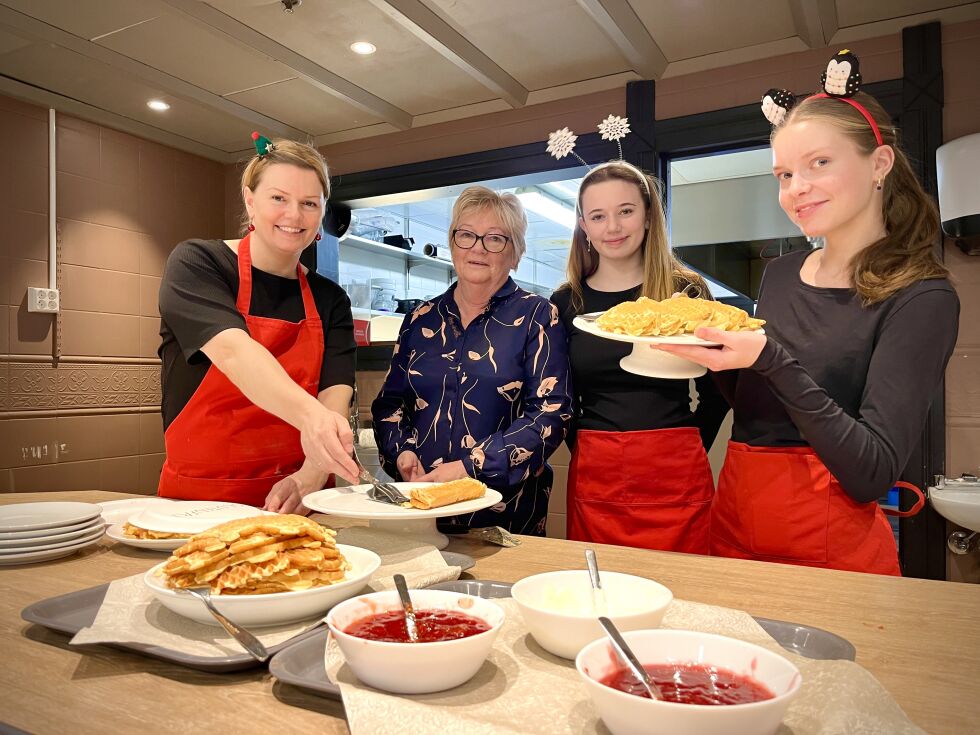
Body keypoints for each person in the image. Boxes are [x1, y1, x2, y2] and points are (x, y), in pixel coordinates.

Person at [657, 58, 959, 575]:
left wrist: (770, 357)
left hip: (831, 543)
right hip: (735, 518)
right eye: (784, 174)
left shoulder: (922, 296)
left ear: (879, 164)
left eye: (819, 163)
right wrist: (716, 359)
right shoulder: (779, 274)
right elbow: (759, 407)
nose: (797, 187)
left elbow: (871, 471)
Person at [157, 136, 359, 514]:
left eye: (309, 203)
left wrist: (312, 474)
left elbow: (335, 396)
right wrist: (315, 420)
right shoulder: (198, 264)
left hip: (303, 503)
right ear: (250, 200)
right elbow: (235, 353)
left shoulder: (330, 300)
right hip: (200, 504)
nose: (294, 215)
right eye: (278, 198)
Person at [550, 161, 729, 553]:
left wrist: (691, 443)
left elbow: (718, 389)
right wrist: (584, 443)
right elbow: (557, 396)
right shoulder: (566, 302)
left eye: (626, 211)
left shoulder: (687, 291)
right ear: (584, 225)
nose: (612, 227)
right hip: (595, 468)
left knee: (682, 596)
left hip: (676, 467)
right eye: (598, 216)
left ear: (648, 216)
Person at [372, 186, 572, 535]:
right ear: (452, 243)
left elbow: (551, 413)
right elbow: (390, 404)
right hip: (423, 512)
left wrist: (470, 466)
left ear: (516, 253)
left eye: (495, 239)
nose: (478, 248)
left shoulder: (537, 316)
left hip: (504, 516)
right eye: (466, 235)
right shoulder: (421, 319)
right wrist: (401, 453)